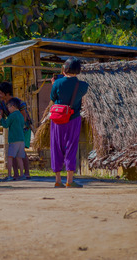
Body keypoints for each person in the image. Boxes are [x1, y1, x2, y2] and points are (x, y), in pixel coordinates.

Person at [50, 57, 89, 188]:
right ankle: (70, 180)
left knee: (56, 147)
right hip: (73, 119)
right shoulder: (83, 86)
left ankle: (57, 180)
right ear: (78, 70)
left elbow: (53, 97)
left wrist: (55, 83)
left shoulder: (57, 83)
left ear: (65, 69)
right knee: (71, 147)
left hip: (57, 120)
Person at [0, 82, 33, 179]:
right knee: (15, 152)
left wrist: (17, 129)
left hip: (23, 128)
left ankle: (26, 173)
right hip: (14, 127)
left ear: (7, 93)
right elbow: (0, 113)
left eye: (1, 93)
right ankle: (16, 174)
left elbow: (23, 117)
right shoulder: (1, 103)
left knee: (20, 151)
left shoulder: (19, 103)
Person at [0, 98, 26, 181]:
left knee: (10, 157)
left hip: (14, 139)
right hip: (21, 140)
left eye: (8, 107)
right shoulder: (20, 115)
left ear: (12, 106)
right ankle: (22, 175)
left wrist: (0, 118)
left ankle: (9, 175)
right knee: (19, 158)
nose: (8, 109)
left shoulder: (12, 115)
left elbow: (5, 125)